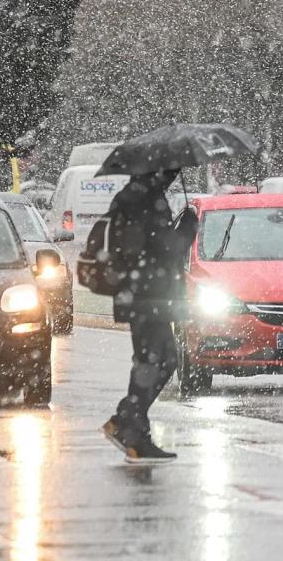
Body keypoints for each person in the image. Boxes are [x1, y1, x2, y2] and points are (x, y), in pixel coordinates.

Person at [100, 168, 185, 463]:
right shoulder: (138, 199)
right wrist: (184, 234)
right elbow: (148, 251)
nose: (175, 175)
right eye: (172, 170)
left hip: (151, 296)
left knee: (160, 361)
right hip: (146, 297)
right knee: (155, 362)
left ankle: (130, 426)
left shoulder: (144, 196)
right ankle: (128, 425)